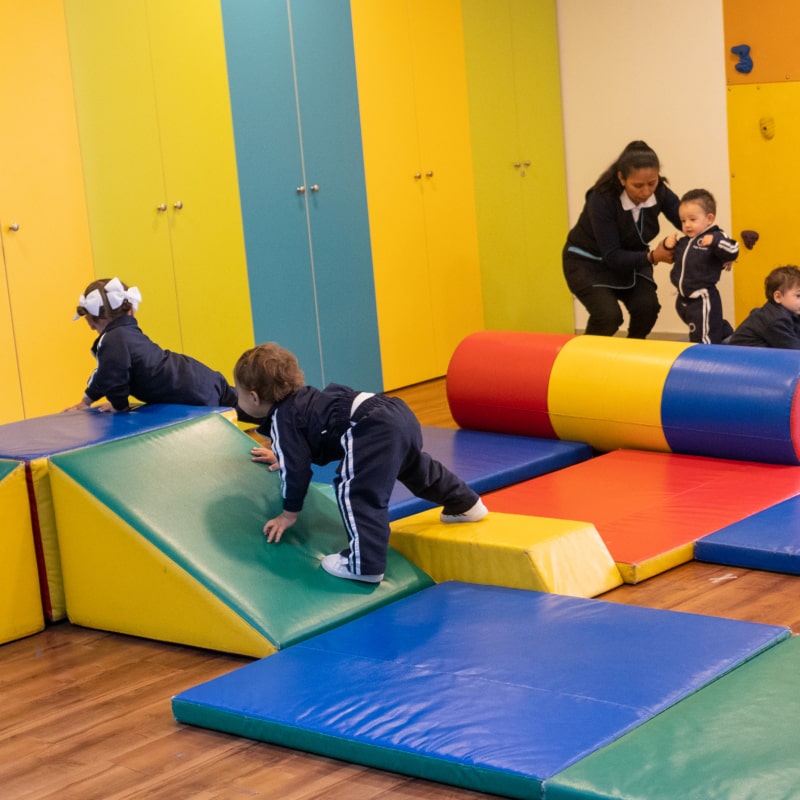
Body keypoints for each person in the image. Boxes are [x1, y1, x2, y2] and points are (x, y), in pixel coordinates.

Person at [234, 342, 487, 584]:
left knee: (355, 491)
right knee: (415, 467)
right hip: (395, 412)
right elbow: (300, 447)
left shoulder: (282, 418)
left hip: (372, 426)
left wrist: (288, 514)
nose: (238, 401)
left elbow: (297, 470)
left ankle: (364, 564)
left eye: (239, 394)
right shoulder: (302, 399)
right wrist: (282, 455)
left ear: (254, 398)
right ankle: (463, 503)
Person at [65, 276, 261, 420]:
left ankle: (283, 424)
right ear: (131, 311)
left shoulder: (112, 340)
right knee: (257, 409)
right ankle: (283, 417)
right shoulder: (125, 333)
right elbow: (105, 373)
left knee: (251, 411)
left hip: (190, 393)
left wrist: (119, 406)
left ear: (90, 321)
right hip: (198, 378)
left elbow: (113, 379)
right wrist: (86, 401)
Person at [563, 140, 682, 338]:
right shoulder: (601, 199)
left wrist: (715, 241)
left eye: (651, 183)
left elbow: (687, 219)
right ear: (622, 178)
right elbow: (613, 256)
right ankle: (585, 360)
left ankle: (631, 354)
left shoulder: (659, 190)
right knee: (608, 316)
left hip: (633, 258)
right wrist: (654, 257)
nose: (646, 192)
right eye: (638, 185)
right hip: (588, 263)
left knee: (647, 308)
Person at [666, 189, 738, 343]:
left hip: (702, 296)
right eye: (683, 221)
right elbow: (677, 257)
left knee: (703, 335)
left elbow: (733, 249)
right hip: (683, 297)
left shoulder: (716, 236)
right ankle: (727, 334)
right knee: (705, 324)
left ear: (709, 218)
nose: (687, 225)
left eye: (692, 219)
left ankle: (706, 360)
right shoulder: (686, 241)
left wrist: (715, 242)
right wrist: (668, 245)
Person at [728, 266, 800, 349]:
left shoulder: (791, 312)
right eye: (798, 296)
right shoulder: (776, 320)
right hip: (741, 359)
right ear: (778, 297)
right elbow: (794, 350)